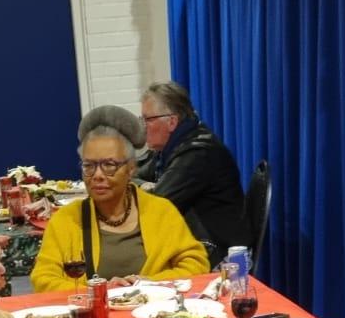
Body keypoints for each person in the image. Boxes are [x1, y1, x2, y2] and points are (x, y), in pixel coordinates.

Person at [31, 106, 210, 291]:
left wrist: (150, 284)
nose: (98, 175)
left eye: (109, 165)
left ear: (131, 168)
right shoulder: (66, 219)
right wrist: (97, 292)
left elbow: (196, 264)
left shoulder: (161, 211)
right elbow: (43, 279)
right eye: (89, 166)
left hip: (154, 314)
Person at [135, 80, 250, 266]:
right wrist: (144, 184)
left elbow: (159, 205)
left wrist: (142, 187)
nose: (143, 126)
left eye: (148, 119)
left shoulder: (198, 152)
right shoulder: (171, 146)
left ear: (171, 121)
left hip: (217, 252)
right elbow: (131, 172)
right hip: (198, 242)